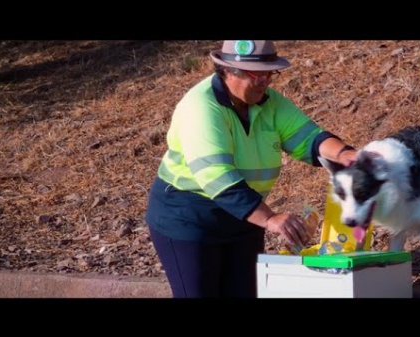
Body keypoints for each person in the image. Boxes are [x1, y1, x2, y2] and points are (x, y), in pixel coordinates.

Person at [145, 40, 357, 298]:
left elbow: (308, 137)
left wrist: (345, 154)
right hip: (190, 219)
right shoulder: (201, 108)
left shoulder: (269, 102)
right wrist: (269, 219)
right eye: (257, 74)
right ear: (228, 70)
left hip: (244, 217)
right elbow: (218, 178)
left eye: (270, 73)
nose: (265, 81)